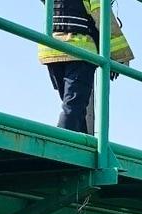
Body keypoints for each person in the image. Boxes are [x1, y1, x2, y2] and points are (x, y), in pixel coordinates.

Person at [38, 0, 133, 133]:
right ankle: (61, 144)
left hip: (51, 50)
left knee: (74, 107)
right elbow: (103, 18)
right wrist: (118, 55)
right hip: (79, 50)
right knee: (73, 106)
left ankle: (80, 144)